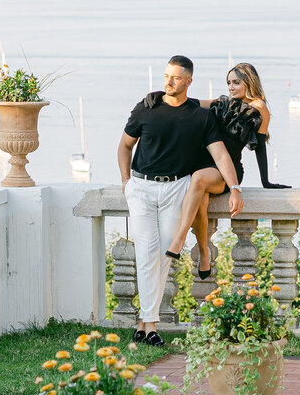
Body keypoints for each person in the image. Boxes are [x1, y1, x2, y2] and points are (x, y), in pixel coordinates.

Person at [117, 55, 242, 346]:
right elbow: (124, 145)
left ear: (188, 81)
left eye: (175, 77)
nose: (168, 82)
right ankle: (149, 325)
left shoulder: (200, 115)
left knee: (162, 255)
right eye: (165, 76)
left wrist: (235, 187)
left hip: (176, 189)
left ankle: (145, 324)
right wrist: (126, 182)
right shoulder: (145, 108)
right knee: (147, 252)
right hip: (142, 188)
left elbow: (221, 154)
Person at [166, 61, 287, 277]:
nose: (231, 87)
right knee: (200, 197)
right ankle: (204, 252)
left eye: (236, 82)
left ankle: (180, 238)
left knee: (199, 179)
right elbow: (192, 102)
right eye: (229, 82)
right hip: (203, 163)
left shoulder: (259, 109)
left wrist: (266, 182)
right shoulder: (224, 102)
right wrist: (160, 97)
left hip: (226, 170)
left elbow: (259, 148)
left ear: (249, 82)